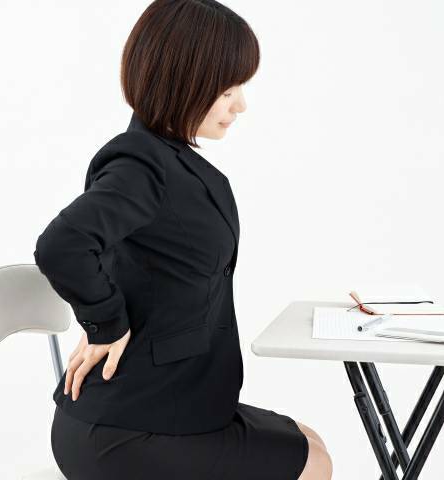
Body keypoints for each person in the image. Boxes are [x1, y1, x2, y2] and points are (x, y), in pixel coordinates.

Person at [33, 1, 332, 478]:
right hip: (128, 430)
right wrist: (106, 323)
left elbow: (125, 258)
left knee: (309, 441)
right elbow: (62, 246)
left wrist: (112, 312)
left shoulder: (167, 157)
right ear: (184, 82)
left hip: (172, 400)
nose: (240, 105)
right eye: (228, 90)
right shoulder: (140, 163)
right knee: (314, 465)